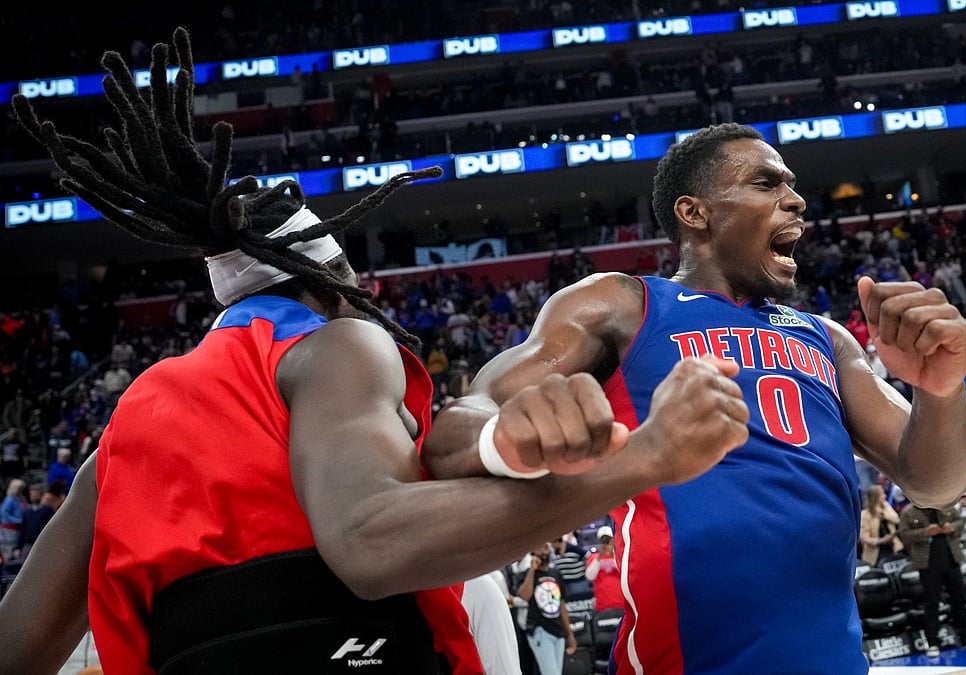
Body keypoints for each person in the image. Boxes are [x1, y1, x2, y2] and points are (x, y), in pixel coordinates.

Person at [0, 30, 750, 675]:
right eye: (358, 287)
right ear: (330, 285)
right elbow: (369, 543)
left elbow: (17, 648)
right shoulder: (336, 344)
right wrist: (640, 460)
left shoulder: (121, 436)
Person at [422, 123, 966, 674]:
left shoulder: (827, 338)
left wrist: (940, 388)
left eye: (791, 184)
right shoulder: (623, 304)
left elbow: (937, 482)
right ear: (695, 212)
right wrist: (508, 436)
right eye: (766, 184)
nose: (797, 200)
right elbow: (461, 423)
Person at [897, 503, 966, 658]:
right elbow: (904, 535)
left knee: (959, 599)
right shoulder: (909, 512)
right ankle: (932, 642)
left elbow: (960, 522)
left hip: (951, 559)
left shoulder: (946, 506)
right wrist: (926, 532)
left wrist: (951, 527)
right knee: (932, 603)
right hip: (928, 563)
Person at [518, 544, 577, 675]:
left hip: (558, 630)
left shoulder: (556, 574)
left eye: (545, 548)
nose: (543, 552)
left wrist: (570, 634)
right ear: (532, 552)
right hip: (540, 630)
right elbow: (524, 595)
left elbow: (561, 605)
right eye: (539, 547)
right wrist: (532, 570)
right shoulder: (527, 574)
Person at [860, 484, 902, 565]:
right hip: (876, 552)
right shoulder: (865, 515)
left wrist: (883, 514)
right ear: (875, 497)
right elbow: (864, 537)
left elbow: (896, 519)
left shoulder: (886, 507)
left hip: (893, 547)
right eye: (882, 494)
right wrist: (881, 540)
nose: (885, 496)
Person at [585, 525, 622, 612]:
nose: (605, 543)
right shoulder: (593, 558)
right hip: (602, 605)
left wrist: (613, 554)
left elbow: (625, 572)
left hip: (621, 603)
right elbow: (590, 576)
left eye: (608, 540)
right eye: (603, 541)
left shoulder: (619, 556)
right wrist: (599, 557)